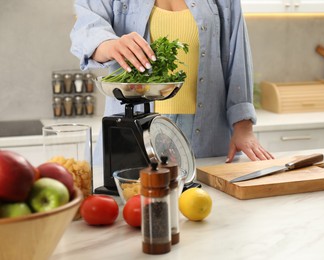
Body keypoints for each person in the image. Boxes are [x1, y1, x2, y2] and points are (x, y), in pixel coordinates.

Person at [70, 0, 274, 165]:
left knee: (206, 209)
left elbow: (237, 54)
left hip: (207, 136)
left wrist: (243, 127)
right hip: (134, 137)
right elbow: (87, 26)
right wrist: (109, 45)